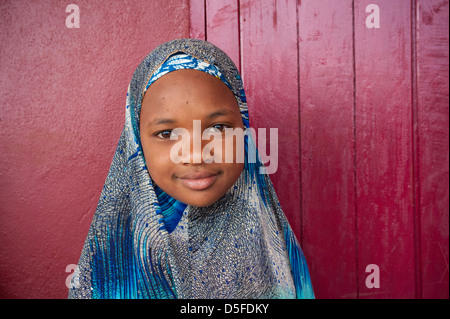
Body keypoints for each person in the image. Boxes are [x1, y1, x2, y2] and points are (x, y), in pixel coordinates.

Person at [68, 38, 314, 299]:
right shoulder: (108, 273)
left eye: (218, 128)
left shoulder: (278, 253)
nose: (197, 154)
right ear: (137, 142)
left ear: (243, 130)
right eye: (167, 133)